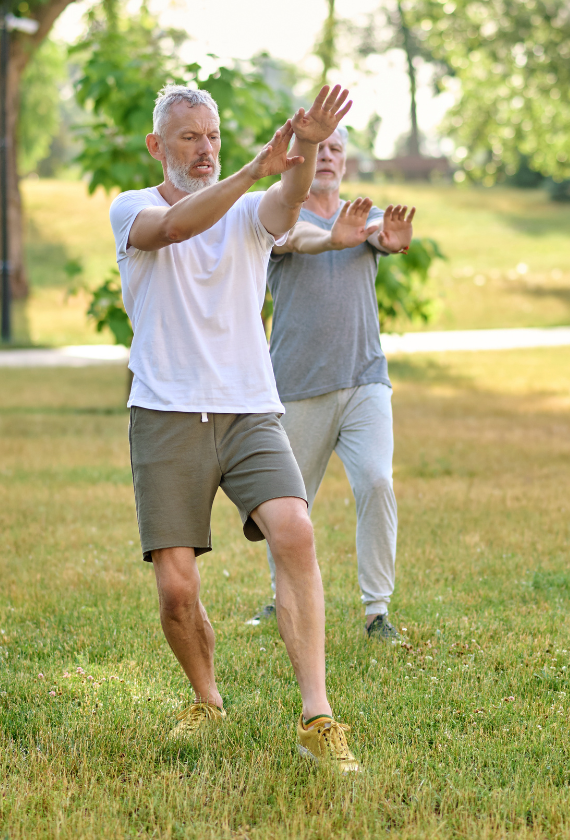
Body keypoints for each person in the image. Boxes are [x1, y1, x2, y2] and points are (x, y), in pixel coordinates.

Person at [109, 83, 360, 771]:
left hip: (249, 405)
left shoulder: (251, 212)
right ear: (159, 146)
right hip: (166, 412)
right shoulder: (130, 207)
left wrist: (305, 147)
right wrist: (254, 167)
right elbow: (175, 228)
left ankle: (318, 714)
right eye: (190, 137)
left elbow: (288, 199)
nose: (206, 148)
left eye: (212, 135)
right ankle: (207, 698)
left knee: (295, 529)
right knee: (177, 588)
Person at [247, 126, 415, 641]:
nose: (327, 158)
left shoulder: (364, 220)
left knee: (378, 481)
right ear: (301, 159)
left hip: (365, 379)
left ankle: (377, 611)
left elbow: (384, 238)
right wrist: (332, 240)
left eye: (336, 150)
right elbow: (296, 240)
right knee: (290, 504)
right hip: (298, 385)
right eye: (319, 149)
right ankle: (283, 598)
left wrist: (392, 242)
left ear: (346, 164)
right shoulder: (277, 216)